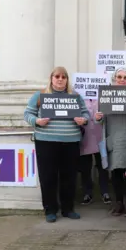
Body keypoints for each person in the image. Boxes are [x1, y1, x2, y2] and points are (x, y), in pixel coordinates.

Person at [24, 66, 89, 223]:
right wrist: (37, 121)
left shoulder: (75, 96)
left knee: (69, 177)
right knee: (48, 177)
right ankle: (50, 210)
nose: (60, 79)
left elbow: (85, 113)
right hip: (46, 142)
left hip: (71, 142)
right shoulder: (40, 96)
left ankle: (68, 209)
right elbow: (28, 114)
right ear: (51, 78)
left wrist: (84, 120)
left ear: (67, 79)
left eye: (63, 77)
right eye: (57, 76)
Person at [95, 68, 126, 217]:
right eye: (119, 77)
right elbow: (100, 120)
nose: (122, 80)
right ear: (114, 79)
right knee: (115, 173)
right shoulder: (106, 96)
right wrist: (97, 117)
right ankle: (118, 202)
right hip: (113, 139)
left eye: (125, 78)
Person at [79, 98, 111, 205]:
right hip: (84, 136)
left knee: (103, 166)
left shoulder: (103, 96)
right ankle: (87, 193)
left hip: (100, 135)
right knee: (85, 167)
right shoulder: (79, 96)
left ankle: (105, 192)